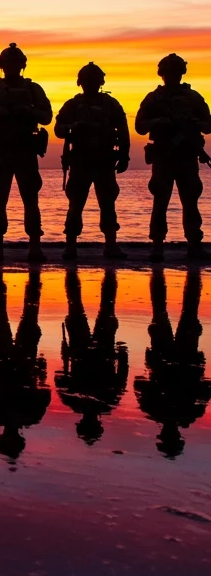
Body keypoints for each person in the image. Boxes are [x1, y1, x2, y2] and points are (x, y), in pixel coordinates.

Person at [0, 43, 53, 263]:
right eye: (8, 63)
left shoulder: (33, 89)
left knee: (31, 199)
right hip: (2, 150)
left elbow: (47, 116)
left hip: (26, 150)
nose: (11, 67)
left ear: (22, 65)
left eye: (15, 63)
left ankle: (35, 247)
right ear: (2, 65)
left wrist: (28, 111)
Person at [135, 53, 211, 261]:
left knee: (190, 202)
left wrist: (193, 123)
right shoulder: (153, 98)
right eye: (168, 72)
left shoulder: (193, 97)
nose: (172, 76)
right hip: (163, 157)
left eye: (175, 72)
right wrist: (160, 122)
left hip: (187, 157)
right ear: (162, 74)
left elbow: (208, 125)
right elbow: (140, 127)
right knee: (160, 201)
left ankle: (194, 244)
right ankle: (157, 246)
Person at [55, 63, 130, 260]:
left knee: (107, 204)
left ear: (101, 82)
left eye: (94, 80)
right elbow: (59, 128)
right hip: (80, 161)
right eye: (88, 80)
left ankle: (111, 245)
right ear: (80, 83)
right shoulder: (72, 105)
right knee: (75, 205)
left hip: (104, 161)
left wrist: (124, 156)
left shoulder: (111, 104)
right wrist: (74, 125)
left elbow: (123, 130)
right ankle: (70, 246)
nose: (91, 84)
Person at [134, 269, 210, 457]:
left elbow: (207, 388)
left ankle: (162, 275)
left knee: (174, 310)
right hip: (180, 356)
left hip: (173, 356)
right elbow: (139, 383)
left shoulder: (189, 414)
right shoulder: (159, 410)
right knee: (180, 310)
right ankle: (172, 275)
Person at [0, 270, 50, 461]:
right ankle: (27, 277)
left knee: (9, 315)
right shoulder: (22, 416)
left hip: (8, 364)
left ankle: (6, 277)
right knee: (20, 315)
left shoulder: (3, 415)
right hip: (16, 364)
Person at [55, 269, 127, 445]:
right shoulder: (98, 402)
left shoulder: (80, 401)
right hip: (99, 350)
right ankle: (104, 274)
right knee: (100, 306)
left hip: (85, 350)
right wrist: (122, 354)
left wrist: (122, 354)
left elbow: (59, 378)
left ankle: (73, 272)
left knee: (82, 305)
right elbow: (121, 376)